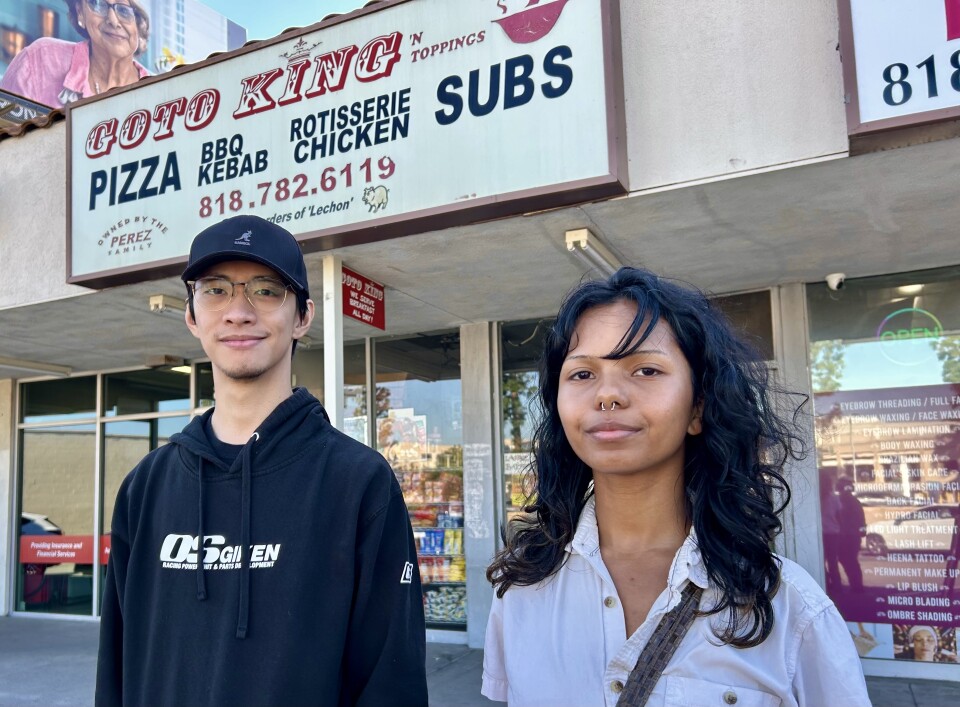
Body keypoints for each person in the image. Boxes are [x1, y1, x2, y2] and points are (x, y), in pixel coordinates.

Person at [482, 267, 871, 707]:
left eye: (646, 370)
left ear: (697, 408)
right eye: (582, 375)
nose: (608, 395)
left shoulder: (790, 609)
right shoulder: (522, 586)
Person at [95, 215, 428, 707]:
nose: (238, 312)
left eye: (266, 291)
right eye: (215, 290)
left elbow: (389, 684)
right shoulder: (146, 487)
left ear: (302, 317)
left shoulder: (357, 483)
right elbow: (116, 671)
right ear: (191, 315)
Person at [0, 0, 150, 108]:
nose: (113, 20)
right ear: (80, 12)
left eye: (124, 10)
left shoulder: (164, 93)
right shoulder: (40, 60)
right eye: (98, 4)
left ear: (139, 24)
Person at [836, 476, 866, 592]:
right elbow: (861, 520)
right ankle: (856, 585)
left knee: (849, 560)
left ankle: (856, 586)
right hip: (852, 536)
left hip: (847, 536)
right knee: (850, 560)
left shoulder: (844, 500)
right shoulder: (853, 501)